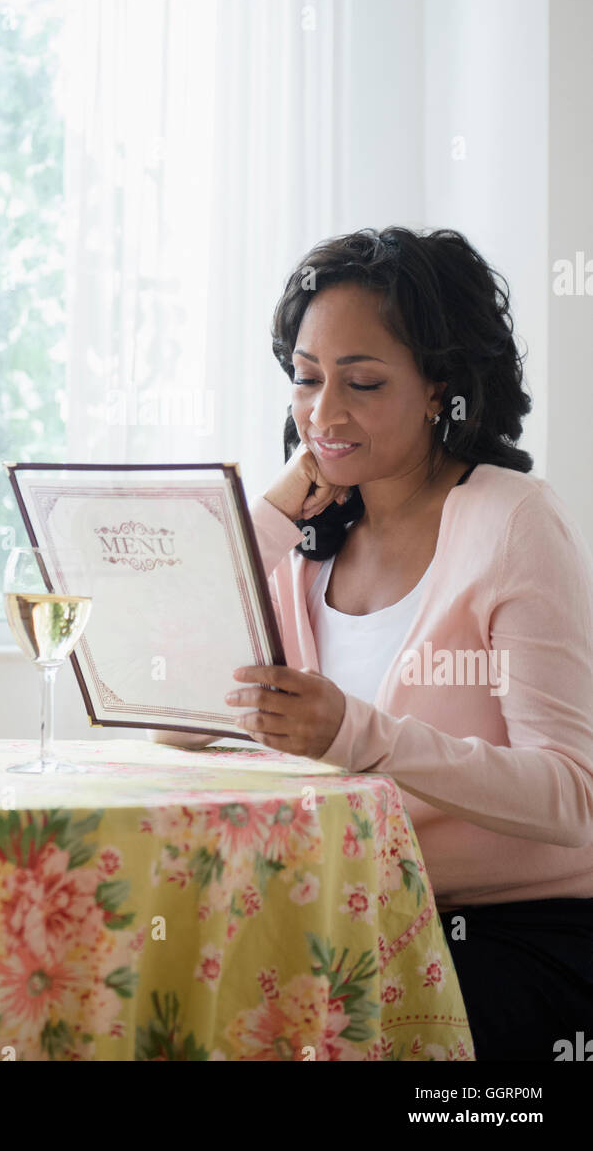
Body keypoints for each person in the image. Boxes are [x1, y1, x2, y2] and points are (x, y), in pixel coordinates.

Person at [150, 226, 593, 1061]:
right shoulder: (309, 541)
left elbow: (572, 798)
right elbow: (167, 694)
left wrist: (358, 736)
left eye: (362, 382)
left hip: (513, 932)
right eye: (306, 380)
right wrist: (278, 511)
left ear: (440, 388)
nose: (324, 414)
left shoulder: (512, 520)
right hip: (351, 916)